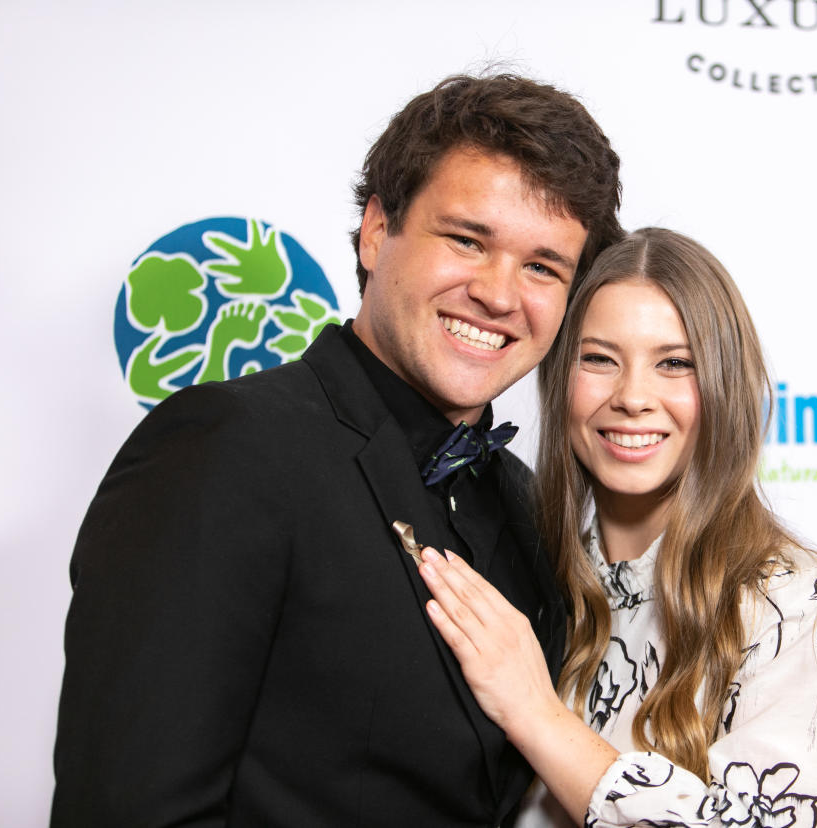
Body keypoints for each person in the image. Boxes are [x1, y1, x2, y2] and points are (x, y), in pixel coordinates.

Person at [51, 73, 623, 826]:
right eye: (466, 239)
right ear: (377, 230)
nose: (498, 293)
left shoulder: (525, 502)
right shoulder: (225, 449)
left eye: (542, 266)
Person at [417, 228, 817, 828]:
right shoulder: (531, 570)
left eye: (674, 363)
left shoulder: (794, 598)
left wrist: (535, 713)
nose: (632, 397)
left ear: (725, 387)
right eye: (599, 359)